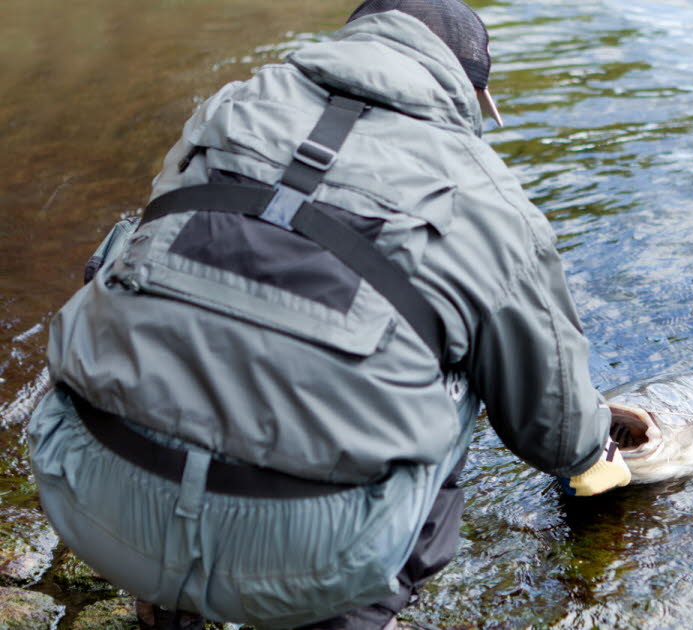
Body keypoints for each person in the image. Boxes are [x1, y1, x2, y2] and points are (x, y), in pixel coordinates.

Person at [25, 1, 634, 628]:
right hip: (312, 560)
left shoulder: (229, 106)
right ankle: (351, 617)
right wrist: (594, 452)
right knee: (468, 358)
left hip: (89, 494)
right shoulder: (487, 194)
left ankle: (164, 606)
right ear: (471, 88)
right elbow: (550, 423)